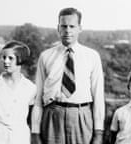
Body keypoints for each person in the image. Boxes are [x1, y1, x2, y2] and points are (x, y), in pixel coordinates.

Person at [31, 7, 105, 144]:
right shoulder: (46, 56)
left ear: (80, 28)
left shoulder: (92, 56)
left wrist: (98, 132)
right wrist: (35, 132)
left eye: (72, 26)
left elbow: (98, 96)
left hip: (81, 116)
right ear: (58, 28)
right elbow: (38, 97)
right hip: (52, 116)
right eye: (64, 26)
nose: (68, 30)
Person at [0, 40, 36, 144]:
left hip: (20, 137)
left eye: (10, 58)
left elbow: (30, 117)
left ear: (20, 60)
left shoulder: (31, 88)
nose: (6, 61)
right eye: (4, 57)